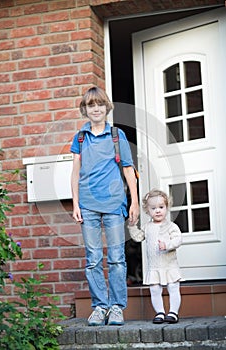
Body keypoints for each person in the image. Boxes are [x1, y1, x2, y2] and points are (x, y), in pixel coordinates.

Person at [71, 86, 139, 326]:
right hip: (87, 205)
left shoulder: (116, 135)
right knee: (93, 259)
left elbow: (128, 170)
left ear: (107, 107)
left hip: (113, 204)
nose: (96, 108)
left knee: (117, 259)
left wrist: (135, 202)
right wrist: (76, 203)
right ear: (85, 109)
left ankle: (117, 307)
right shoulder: (80, 137)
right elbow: (75, 172)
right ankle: (100, 307)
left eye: (100, 104)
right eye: (91, 105)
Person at [128, 188, 182, 324]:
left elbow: (178, 240)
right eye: (153, 208)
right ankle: (160, 312)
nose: (157, 211)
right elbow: (138, 237)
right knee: (154, 289)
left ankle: (173, 312)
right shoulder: (148, 226)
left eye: (161, 207)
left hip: (169, 265)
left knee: (173, 287)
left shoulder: (171, 226)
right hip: (154, 266)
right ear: (148, 211)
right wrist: (132, 226)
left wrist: (167, 244)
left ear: (167, 208)